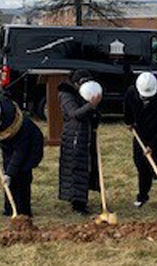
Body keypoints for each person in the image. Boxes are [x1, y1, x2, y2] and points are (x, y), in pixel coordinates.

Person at [0, 95, 44, 217]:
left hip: (29, 147)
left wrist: (10, 173)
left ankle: (24, 212)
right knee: (8, 178)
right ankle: (10, 209)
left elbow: (20, 153)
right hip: (9, 146)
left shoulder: (20, 125)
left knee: (22, 176)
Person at [124, 72, 157, 216]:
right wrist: (128, 121)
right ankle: (142, 195)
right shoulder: (132, 92)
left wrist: (153, 145)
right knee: (142, 167)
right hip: (140, 135)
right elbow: (127, 108)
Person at [57, 69, 103, 215]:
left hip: (87, 135)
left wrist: (95, 112)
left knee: (86, 168)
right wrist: (91, 105)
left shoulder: (84, 93)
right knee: (75, 168)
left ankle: (82, 199)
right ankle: (77, 203)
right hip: (74, 136)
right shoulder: (66, 94)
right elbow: (75, 114)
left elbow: (91, 115)